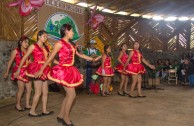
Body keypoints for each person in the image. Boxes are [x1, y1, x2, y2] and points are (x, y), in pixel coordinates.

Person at [35, 24, 101, 126]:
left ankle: (61, 116)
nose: (73, 33)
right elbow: (50, 58)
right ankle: (66, 118)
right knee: (72, 95)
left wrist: (92, 59)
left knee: (68, 96)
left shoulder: (71, 44)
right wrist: (41, 70)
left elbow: (80, 55)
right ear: (66, 31)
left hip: (70, 70)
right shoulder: (59, 43)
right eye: (72, 31)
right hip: (63, 71)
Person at [14, 30, 53, 117]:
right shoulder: (33, 46)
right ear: (39, 36)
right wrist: (18, 69)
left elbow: (50, 59)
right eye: (44, 36)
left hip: (45, 70)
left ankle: (44, 110)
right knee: (38, 92)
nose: (45, 38)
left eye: (46, 36)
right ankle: (32, 111)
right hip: (36, 69)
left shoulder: (46, 47)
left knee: (45, 92)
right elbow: (24, 58)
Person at [4, 36, 32, 111]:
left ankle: (27, 104)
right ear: (20, 42)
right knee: (21, 89)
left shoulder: (28, 51)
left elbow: (29, 61)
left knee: (29, 89)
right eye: (25, 42)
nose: (27, 44)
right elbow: (10, 61)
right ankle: (17, 105)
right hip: (19, 72)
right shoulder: (15, 51)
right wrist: (7, 72)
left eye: (28, 42)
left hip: (27, 71)